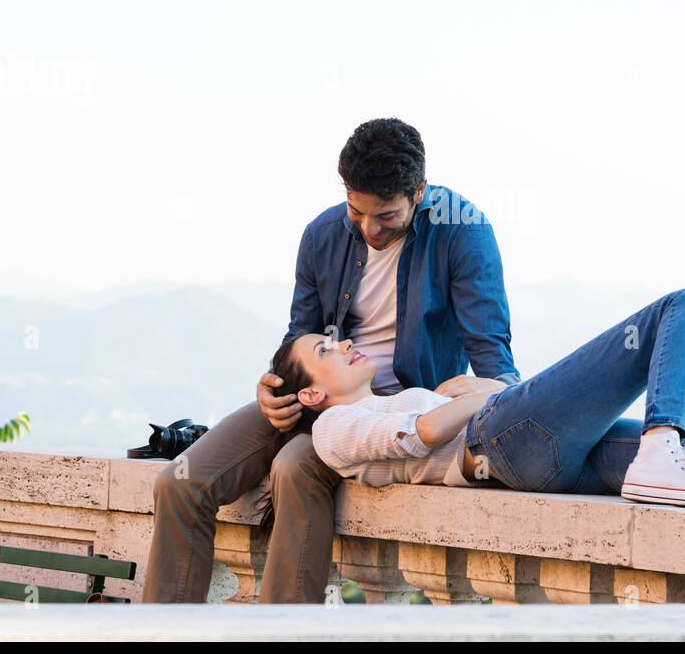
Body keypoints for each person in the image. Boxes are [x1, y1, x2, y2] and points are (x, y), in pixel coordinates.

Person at [143, 118, 521, 603]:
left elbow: (493, 358)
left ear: (420, 192)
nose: (369, 229)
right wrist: (273, 386)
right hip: (317, 391)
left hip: (387, 411)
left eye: (385, 216)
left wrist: (500, 414)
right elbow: (297, 337)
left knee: (294, 467)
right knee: (179, 483)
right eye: (356, 211)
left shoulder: (462, 233)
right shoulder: (322, 234)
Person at [272, 287, 685, 517]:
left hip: (538, 461)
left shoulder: (382, 396)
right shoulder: (333, 425)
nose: (344, 343)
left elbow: (422, 429)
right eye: (326, 350)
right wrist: (483, 392)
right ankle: (662, 443)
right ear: (310, 389)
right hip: (498, 438)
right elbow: (418, 434)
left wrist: (468, 396)